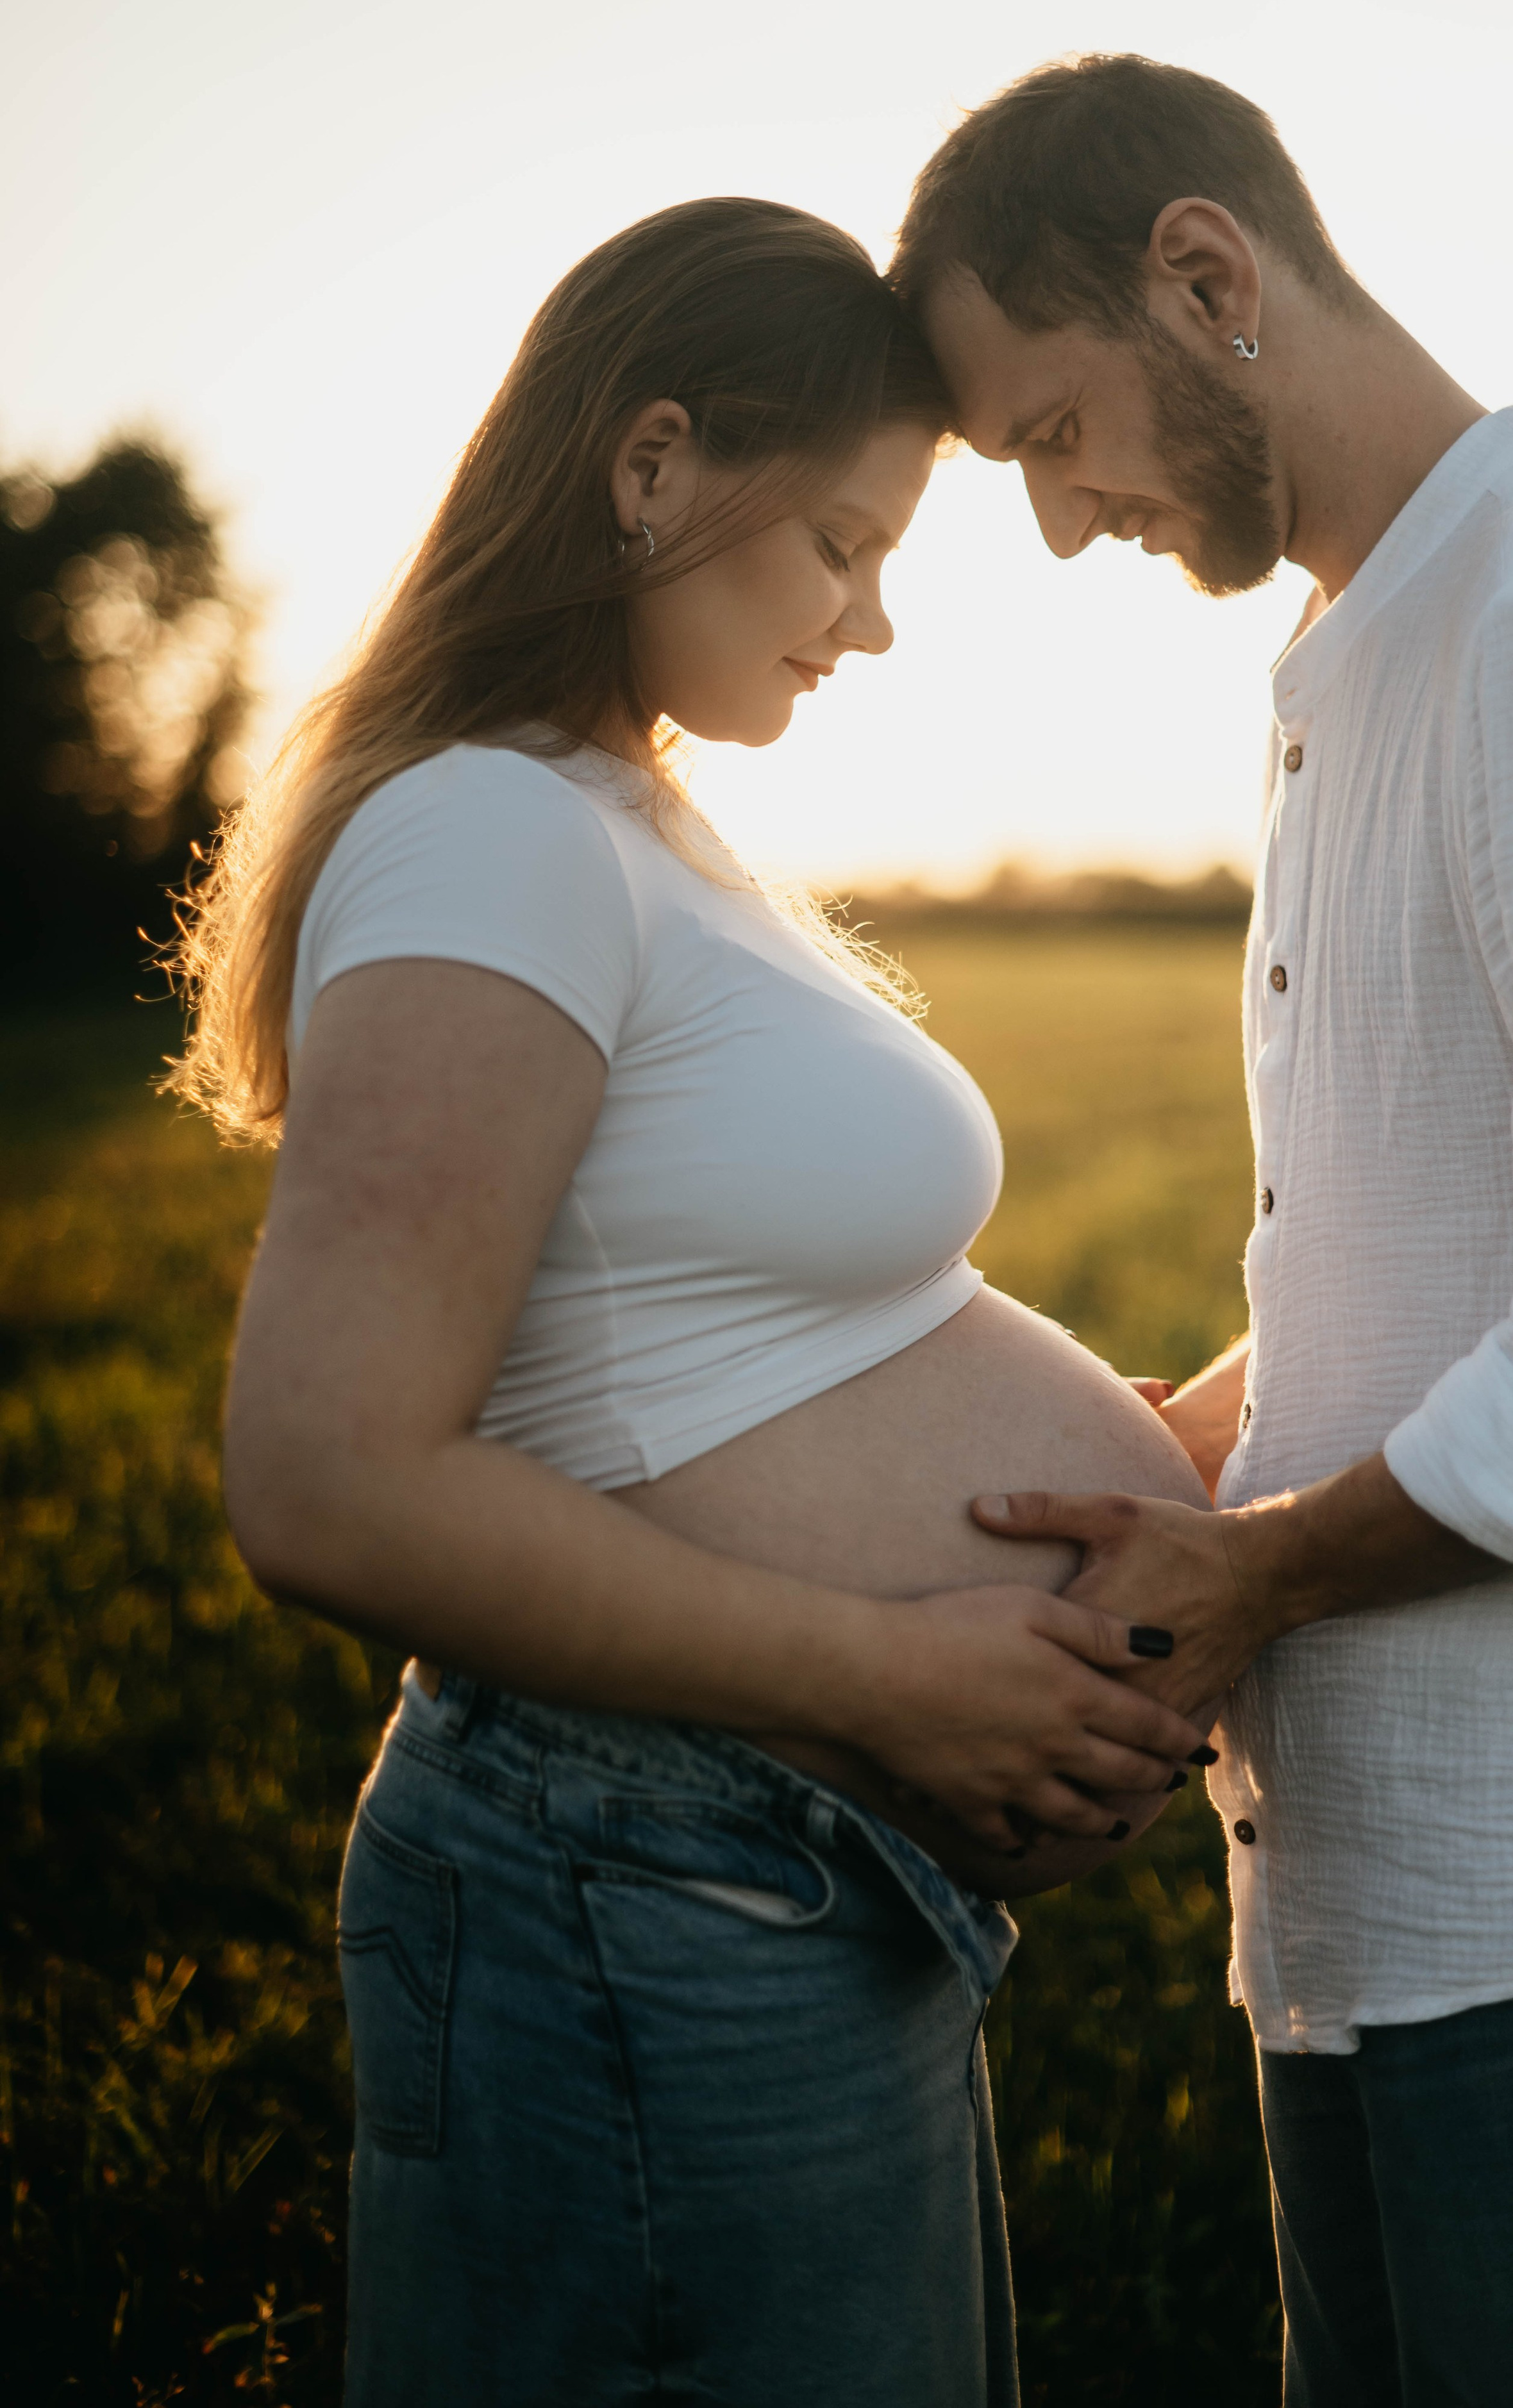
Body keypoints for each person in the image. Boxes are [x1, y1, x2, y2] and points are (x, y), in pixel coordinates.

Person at [169, 196, 1212, 2408]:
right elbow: (328, 1482)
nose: (876, 624)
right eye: (842, 545)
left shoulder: (619, 816)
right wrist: (889, 1671)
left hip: (735, 1877)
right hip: (638, 1883)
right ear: (651, 467)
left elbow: (702, 1308)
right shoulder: (493, 833)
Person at [893, 52, 1513, 2405]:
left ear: (1205, 276)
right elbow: (1402, 1233)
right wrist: (1196, 1440)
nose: (1051, 518)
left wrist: (1264, 1572)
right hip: (1356, 1899)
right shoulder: (1359, 647)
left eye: (1046, 431)